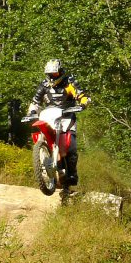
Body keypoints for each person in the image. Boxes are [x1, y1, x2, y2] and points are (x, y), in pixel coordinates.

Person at [26, 59, 91, 187]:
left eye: (54, 74)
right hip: (49, 115)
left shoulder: (70, 83)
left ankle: (72, 173)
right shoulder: (44, 85)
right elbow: (35, 102)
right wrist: (31, 112)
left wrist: (83, 103)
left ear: (60, 72)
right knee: (40, 133)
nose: (52, 76)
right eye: (49, 74)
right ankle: (43, 166)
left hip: (67, 116)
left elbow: (82, 95)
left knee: (70, 145)